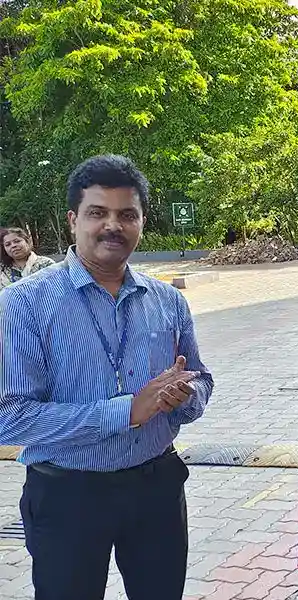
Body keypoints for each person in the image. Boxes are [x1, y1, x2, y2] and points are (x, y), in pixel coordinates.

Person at [0, 154, 213, 600]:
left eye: (126, 214)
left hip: (156, 488)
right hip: (67, 494)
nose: (112, 225)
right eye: (98, 213)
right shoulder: (23, 305)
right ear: (73, 220)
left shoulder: (166, 300)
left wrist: (184, 395)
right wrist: (128, 412)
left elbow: (201, 380)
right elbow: (11, 417)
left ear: (141, 222)